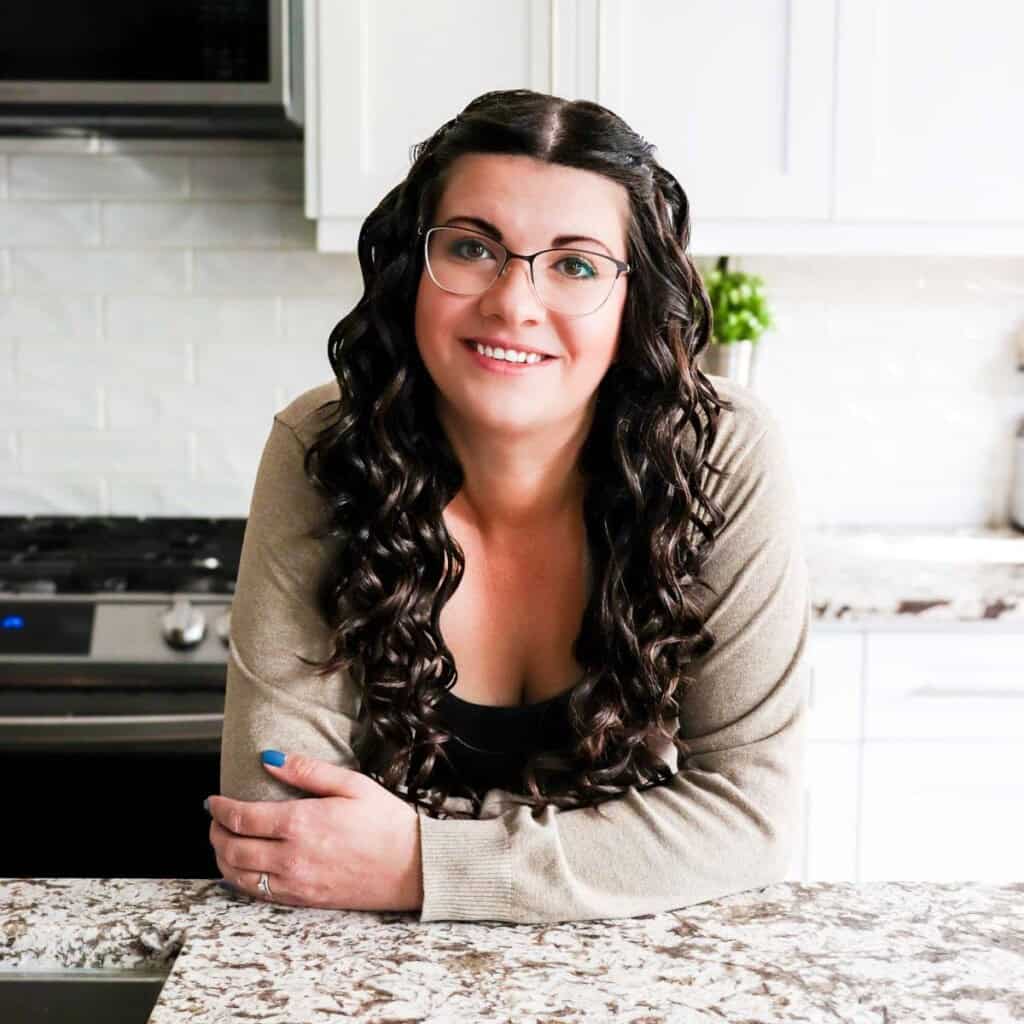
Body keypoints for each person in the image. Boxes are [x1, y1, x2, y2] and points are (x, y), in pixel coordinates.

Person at [211, 88, 811, 925]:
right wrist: (619, 851)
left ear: (631, 297)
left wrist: (423, 861)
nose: (513, 303)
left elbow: (754, 821)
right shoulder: (327, 445)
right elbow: (280, 825)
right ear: (411, 267)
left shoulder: (718, 454)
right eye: (471, 248)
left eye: (575, 264)